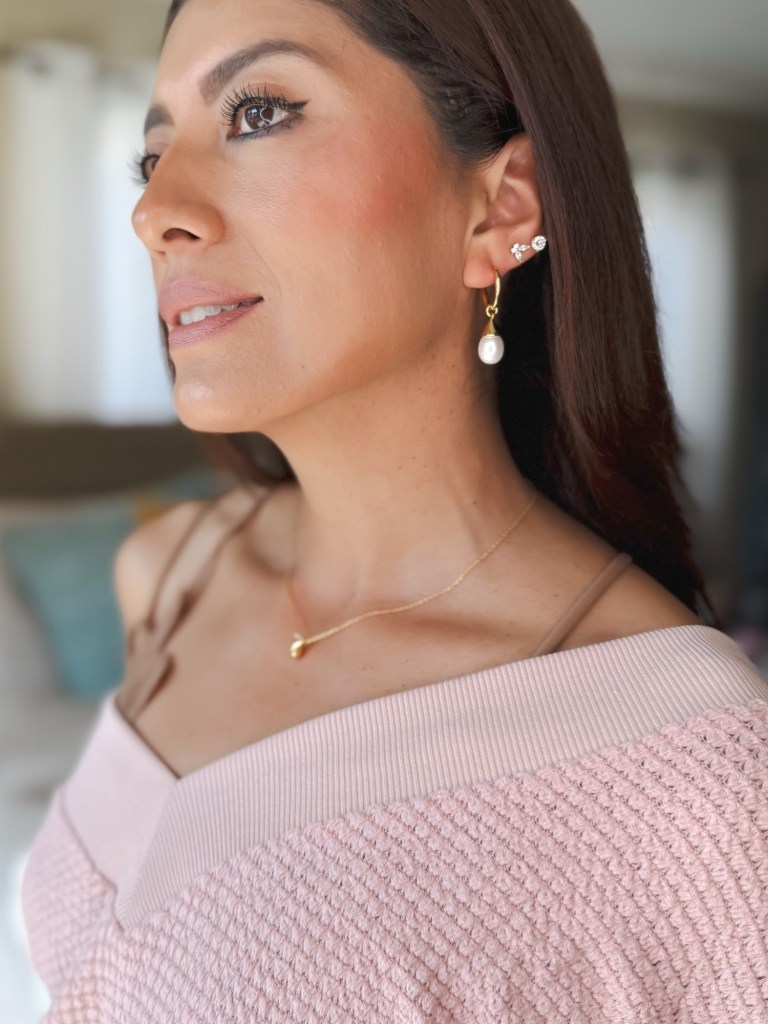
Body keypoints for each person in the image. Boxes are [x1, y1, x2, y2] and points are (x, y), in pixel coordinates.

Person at [21, 0, 768, 1020]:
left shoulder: (691, 778)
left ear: (500, 209)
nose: (155, 211)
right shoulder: (168, 574)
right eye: (150, 159)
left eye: (257, 112)